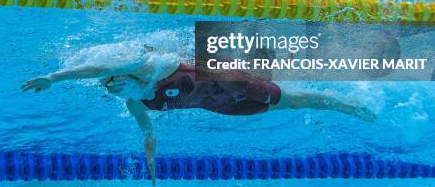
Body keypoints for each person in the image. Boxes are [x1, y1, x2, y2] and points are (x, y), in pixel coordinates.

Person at [20, 46, 375, 184]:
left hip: (231, 81)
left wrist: (53, 78)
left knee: (294, 100)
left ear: (124, 76)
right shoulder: (135, 103)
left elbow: (95, 67)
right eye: (107, 89)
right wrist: (152, 169)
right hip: (225, 107)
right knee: (281, 103)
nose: (110, 89)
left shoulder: (150, 67)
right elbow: (148, 135)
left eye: (112, 83)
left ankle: (350, 105)